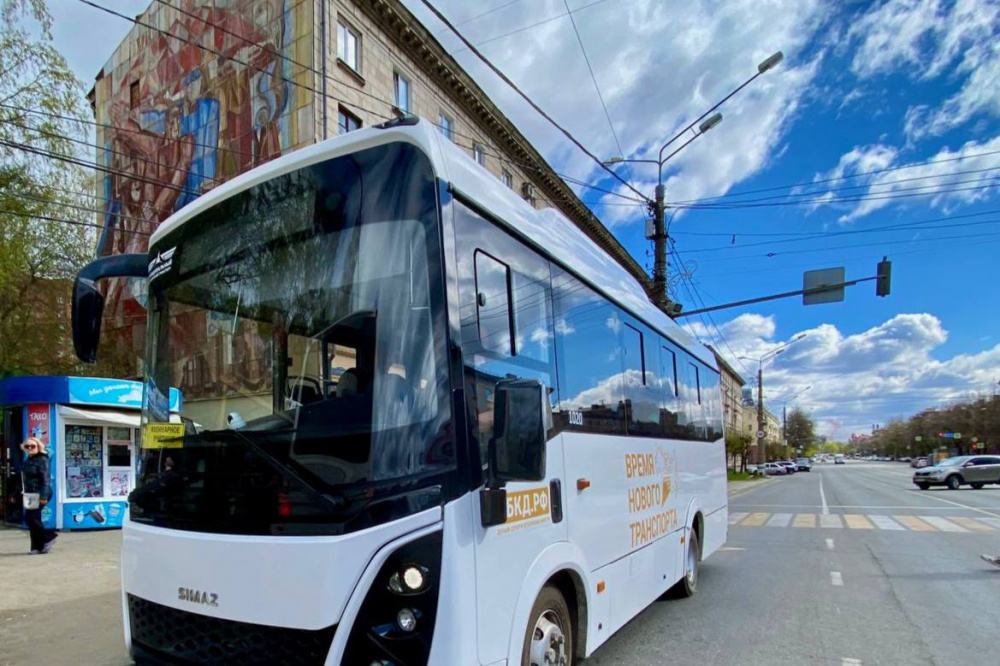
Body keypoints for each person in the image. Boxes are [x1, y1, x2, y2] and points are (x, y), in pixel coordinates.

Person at [21, 437, 56, 554]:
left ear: (38, 446)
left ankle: (49, 536)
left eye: (33, 446)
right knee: (32, 519)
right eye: (27, 446)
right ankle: (37, 547)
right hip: (30, 494)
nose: (30, 448)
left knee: (32, 518)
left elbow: (46, 480)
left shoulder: (42, 459)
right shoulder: (29, 459)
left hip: (40, 493)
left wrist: (44, 497)